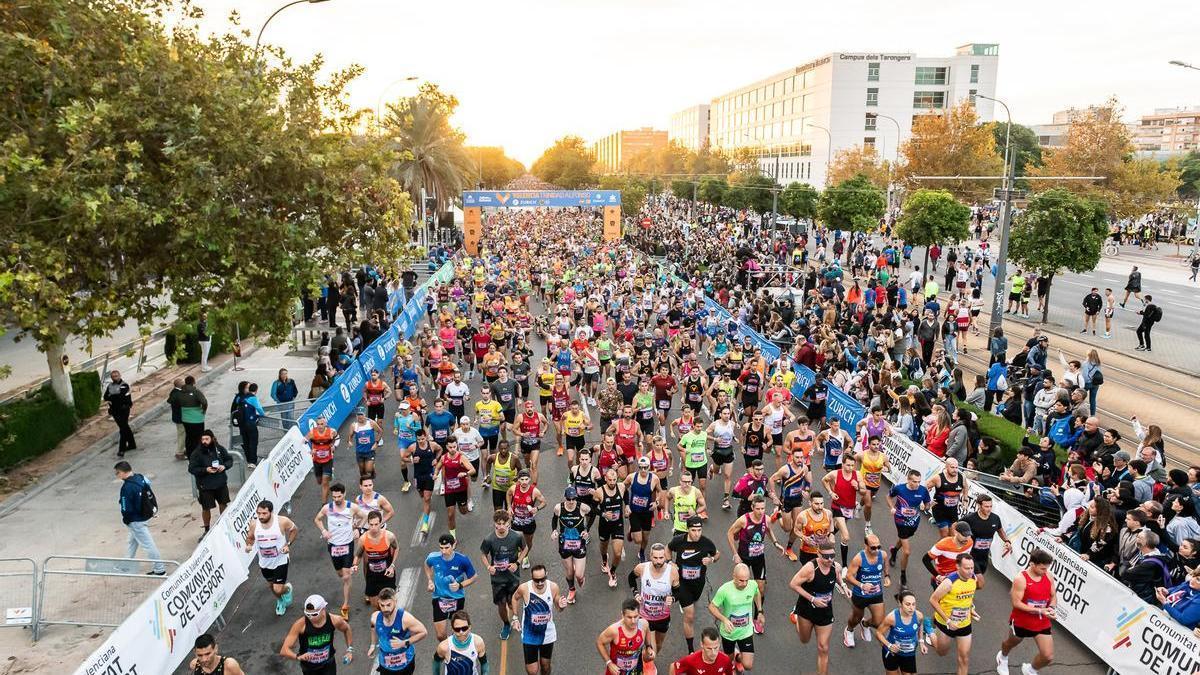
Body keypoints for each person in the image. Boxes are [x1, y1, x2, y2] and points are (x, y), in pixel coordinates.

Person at [788, 542, 848, 675]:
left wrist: (844, 586)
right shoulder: (810, 568)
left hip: (825, 612)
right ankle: (796, 616)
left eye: (832, 556)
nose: (830, 559)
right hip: (806, 610)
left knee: (823, 647)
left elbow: (837, 577)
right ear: (818, 554)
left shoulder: (836, 566)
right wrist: (813, 599)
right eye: (826, 557)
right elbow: (793, 584)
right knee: (804, 639)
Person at [996, 548, 1057, 675]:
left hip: (1041, 622)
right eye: (1042, 568)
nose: (1045, 571)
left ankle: (1030, 670)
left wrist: (1051, 608)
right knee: (1011, 643)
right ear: (1032, 564)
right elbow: (1016, 603)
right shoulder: (1021, 579)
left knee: (1048, 656)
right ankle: (1002, 657)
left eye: (1047, 568)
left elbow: (1053, 595)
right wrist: (1041, 610)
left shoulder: (1048, 576)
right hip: (1022, 621)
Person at [669, 516, 720, 652]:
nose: (697, 533)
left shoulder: (706, 542)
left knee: (694, 601)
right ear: (687, 529)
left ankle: (688, 603)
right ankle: (691, 649)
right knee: (690, 615)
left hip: (698, 583)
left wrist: (712, 560)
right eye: (693, 530)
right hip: (682, 583)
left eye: (699, 530)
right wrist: (670, 562)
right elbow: (668, 548)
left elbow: (717, 554)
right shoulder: (678, 541)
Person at [315, 483, 365, 618]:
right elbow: (317, 519)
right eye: (334, 496)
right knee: (340, 573)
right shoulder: (327, 508)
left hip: (347, 545)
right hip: (333, 546)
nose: (336, 499)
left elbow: (364, 516)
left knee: (346, 576)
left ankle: (345, 605)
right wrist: (324, 530)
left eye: (339, 496)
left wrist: (357, 528)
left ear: (344, 494)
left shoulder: (351, 507)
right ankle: (345, 579)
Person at [510, 564, 566, 675]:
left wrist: (561, 605)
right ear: (532, 577)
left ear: (546, 576)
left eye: (542, 579)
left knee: (545, 666)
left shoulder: (553, 587)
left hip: (547, 633)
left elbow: (559, 608)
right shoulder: (524, 588)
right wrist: (515, 618)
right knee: (532, 670)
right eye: (536, 580)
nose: (540, 583)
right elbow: (515, 598)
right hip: (529, 634)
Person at [245, 499, 297, 616]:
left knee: (278, 588)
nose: (261, 516)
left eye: (264, 513)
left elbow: (294, 530)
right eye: (258, 513)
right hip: (264, 562)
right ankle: (280, 600)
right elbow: (250, 537)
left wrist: (288, 544)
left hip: (280, 560)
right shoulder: (254, 523)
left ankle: (287, 589)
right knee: (271, 587)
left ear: (271, 512)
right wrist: (249, 545)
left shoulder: (282, 521)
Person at [929, 553, 978, 675]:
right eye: (967, 568)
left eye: (972, 568)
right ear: (957, 567)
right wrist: (948, 620)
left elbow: (968, 598)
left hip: (965, 623)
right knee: (942, 652)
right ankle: (930, 631)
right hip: (946, 623)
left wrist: (971, 609)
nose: (970, 571)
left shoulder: (973, 579)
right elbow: (933, 600)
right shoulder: (949, 583)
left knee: (964, 658)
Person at [114, 460, 166, 575]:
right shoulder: (140, 477)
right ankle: (126, 565)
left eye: (117, 473)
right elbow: (148, 488)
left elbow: (125, 507)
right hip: (145, 514)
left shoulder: (126, 488)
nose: (117, 476)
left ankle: (160, 569)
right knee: (131, 542)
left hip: (136, 520)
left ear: (121, 472)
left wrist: (126, 520)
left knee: (148, 545)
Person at [707, 564, 761, 672]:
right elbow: (712, 607)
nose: (745, 584)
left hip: (746, 632)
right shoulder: (724, 590)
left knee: (748, 665)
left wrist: (760, 611)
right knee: (728, 661)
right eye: (741, 580)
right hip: (729, 633)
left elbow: (757, 594)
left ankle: (739, 657)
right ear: (734, 577)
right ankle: (734, 657)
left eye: (747, 580)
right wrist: (724, 619)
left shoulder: (752, 585)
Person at [425, 534, 479, 641]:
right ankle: (448, 651)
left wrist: (460, 585)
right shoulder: (433, 557)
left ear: (453, 545)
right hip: (439, 598)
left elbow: (474, 577)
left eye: (447, 548)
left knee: (459, 632)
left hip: (457, 599)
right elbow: (427, 565)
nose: (444, 551)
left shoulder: (463, 560)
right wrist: (430, 580)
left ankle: (458, 650)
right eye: (441, 548)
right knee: (440, 635)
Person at [843, 533, 890, 648]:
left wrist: (887, 576)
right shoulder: (859, 558)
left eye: (878, 547)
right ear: (866, 546)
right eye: (873, 547)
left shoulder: (882, 555)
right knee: (856, 618)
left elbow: (886, 563)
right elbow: (848, 576)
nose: (876, 550)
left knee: (879, 622)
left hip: (876, 594)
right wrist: (862, 585)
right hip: (860, 595)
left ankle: (865, 624)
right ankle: (849, 630)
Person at [367, 587, 428, 675]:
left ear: (395, 601)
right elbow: (373, 627)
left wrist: (404, 643)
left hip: (405, 664)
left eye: (388, 605)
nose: (385, 609)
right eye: (382, 605)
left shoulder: (405, 618)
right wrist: (372, 645)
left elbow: (423, 632)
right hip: (385, 664)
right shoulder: (375, 617)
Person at [887, 469, 931, 587]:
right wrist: (892, 507)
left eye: (919, 481)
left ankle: (894, 550)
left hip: (914, 522)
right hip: (900, 520)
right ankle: (903, 575)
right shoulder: (899, 488)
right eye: (914, 481)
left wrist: (926, 507)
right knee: (907, 551)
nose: (917, 484)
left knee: (904, 538)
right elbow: (889, 497)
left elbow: (927, 505)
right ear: (908, 479)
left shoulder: (923, 490)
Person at [821, 454, 864, 567]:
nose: (850, 468)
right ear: (843, 464)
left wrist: (858, 487)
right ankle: (844, 566)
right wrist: (831, 492)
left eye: (852, 465)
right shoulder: (836, 474)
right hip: (837, 506)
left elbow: (864, 492)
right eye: (848, 465)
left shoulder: (857, 474)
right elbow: (824, 480)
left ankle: (824, 537)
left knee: (836, 526)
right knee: (845, 536)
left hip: (849, 508)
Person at [189, 430, 232, 540]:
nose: (204, 441)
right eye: (202, 439)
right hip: (205, 486)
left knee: (223, 504)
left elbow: (229, 460)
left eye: (207, 439)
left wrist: (224, 466)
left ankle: (223, 526)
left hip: (220, 483)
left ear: (212, 439)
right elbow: (192, 468)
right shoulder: (196, 453)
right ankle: (207, 529)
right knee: (206, 508)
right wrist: (205, 470)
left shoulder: (219, 449)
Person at [962, 494, 1012, 589]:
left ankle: (962, 593)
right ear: (979, 505)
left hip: (984, 557)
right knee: (980, 582)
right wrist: (959, 541)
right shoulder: (970, 518)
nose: (989, 509)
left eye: (990, 506)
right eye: (986, 506)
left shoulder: (995, 518)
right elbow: (956, 526)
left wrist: (1007, 541)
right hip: (970, 555)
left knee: (971, 581)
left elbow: (1000, 531)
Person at [873, 590, 927, 675]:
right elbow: (879, 633)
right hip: (892, 653)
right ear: (900, 604)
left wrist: (921, 641)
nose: (911, 608)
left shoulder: (919, 615)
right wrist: (889, 645)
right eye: (908, 604)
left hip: (909, 653)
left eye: (914, 604)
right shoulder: (892, 618)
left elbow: (920, 625)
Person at [553, 486, 592, 603]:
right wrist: (554, 530)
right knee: (570, 572)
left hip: (579, 545)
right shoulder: (558, 508)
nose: (571, 502)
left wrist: (587, 530)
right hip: (564, 544)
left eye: (573, 499)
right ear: (565, 498)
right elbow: (554, 519)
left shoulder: (583, 507)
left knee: (579, 575)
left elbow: (594, 513)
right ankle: (571, 590)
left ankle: (580, 579)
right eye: (568, 499)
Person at [598, 599, 656, 675]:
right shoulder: (614, 630)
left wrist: (648, 647)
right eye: (629, 617)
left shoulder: (644, 624)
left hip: (636, 669)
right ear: (622, 615)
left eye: (636, 616)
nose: (633, 621)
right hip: (617, 671)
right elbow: (600, 642)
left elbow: (647, 632)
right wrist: (609, 663)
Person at [354, 509, 399, 609]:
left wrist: (392, 565)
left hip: (387, 575)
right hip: (372, 576)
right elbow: (358, 554)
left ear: (381, 523)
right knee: (376, 608)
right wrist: (355, 565)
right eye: (371, 525)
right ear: (368, 524)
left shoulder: (389, 536)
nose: (373, 527)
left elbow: (396, 548)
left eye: (376, 524)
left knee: (389, 607)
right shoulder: (363, 539)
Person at [436, 437, 477, 539]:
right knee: (450, 515)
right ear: (446, 447)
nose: (453, 449)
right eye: (450, 447)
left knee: (463, 511)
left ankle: (466, 502)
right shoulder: (443, 457)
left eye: (454, 446)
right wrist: (435, 474)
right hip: (449, 490)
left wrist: (465, 473)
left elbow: (473, 470)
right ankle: (453, 537)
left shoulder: (461, 457)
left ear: (457, 445)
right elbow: (438, 467)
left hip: (461, 489)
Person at [432, 610, 487, 675]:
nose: (461, 632)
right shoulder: (444, 647)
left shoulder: (478, 642)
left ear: (469, 627)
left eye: (464, 628)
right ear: (452, 629)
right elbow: (436, 662)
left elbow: (484, 663)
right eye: (457, 629)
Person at [669, 627, 734, 675]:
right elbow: (673, 667)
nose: (713, 653)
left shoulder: (725, 660)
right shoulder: (691, 660)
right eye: (709, 648)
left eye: (716, 648)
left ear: (719, 644)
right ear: (702, 644)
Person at [306, 416, 340, 504]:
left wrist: (334, 446)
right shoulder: (312, 433)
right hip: (317, 461)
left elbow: (338, 439)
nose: (320, 426)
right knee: (319, 481)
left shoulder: (331, 431)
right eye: (318, 424)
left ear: (326, 424)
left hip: (328, 460)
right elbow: (302, 442)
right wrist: (310, 450)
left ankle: (324, 504)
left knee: (325, 482)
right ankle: (328, 475)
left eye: (322, 424)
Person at [103, 369, 136, 457]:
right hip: (114, 411)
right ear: (111, 378)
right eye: (113, 376)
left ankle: (121, 449)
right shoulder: (110, 385)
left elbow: (121, 397)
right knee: (125, 427)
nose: (115, 378)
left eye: (116, 376)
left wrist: (112, 396)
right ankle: (132, 444)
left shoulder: (124, 385)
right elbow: (105, 397)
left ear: (120, 376)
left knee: (123, 429)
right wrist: (112, 397)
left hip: (124, 409)